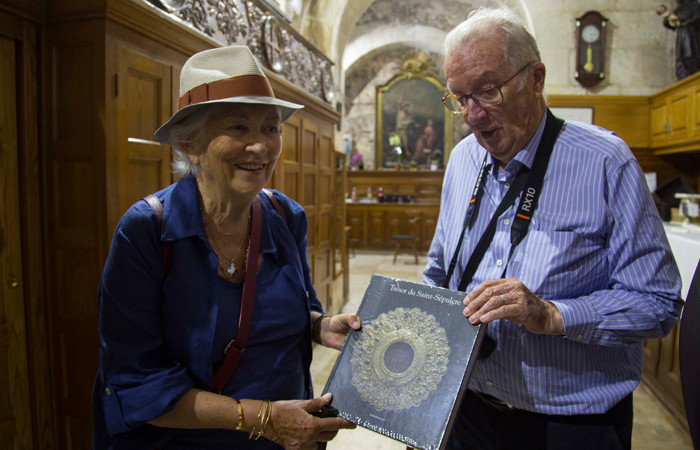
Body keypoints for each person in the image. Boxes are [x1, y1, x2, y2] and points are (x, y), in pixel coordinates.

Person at [424, 7, 683, 450]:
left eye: (487, 91)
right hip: (467, 411)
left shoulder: (606, 162)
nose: (472, 114)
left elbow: (657, 302)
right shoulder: (463, 160)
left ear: (536, 78)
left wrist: (551, 315)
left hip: (571, 424)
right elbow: (439, 272)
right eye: (459, 98)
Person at [92, 45, 360, 449]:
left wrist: (318, 325)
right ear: (190, 144)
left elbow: (287, 308)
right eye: (238, 128)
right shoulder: (146, 231)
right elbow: (136, 383)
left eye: (271, 128)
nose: (261, 147)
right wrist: (265, 419)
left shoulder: (286, 217)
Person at [659, 0, 700, 79]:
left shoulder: (694, 5)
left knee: (690, 61)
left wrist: (680, 20)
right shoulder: (680, 8)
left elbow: (697, 19)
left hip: (691, 40)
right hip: (681, 41)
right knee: (680, 65)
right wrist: (668, 19)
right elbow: (669, 24)